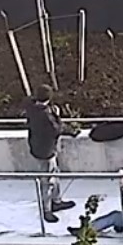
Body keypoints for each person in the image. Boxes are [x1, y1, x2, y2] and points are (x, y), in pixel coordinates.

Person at [25, 91, 76, 223]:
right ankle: (47, 210)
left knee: (55, 174)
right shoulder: (46, 114)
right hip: (46, 151)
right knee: (47, 180)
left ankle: (56, 200)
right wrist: (57, 116)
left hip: (36, 147)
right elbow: (56, 129)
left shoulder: (32, 108)